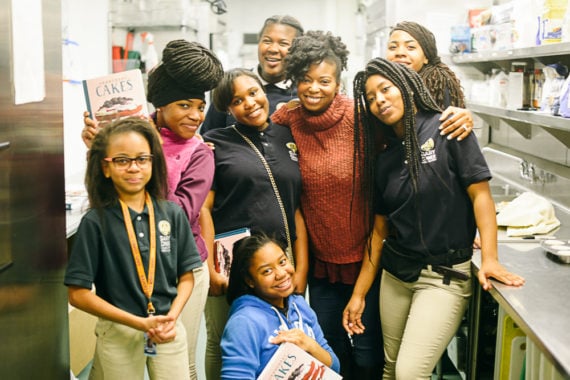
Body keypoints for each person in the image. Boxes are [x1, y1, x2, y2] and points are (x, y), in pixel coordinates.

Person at [343, 57, 525, 379]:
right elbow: (379, 231)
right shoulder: (385, 156)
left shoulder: (448, 127)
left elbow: (481, 196)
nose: (379, 101)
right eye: (370, 98)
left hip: (444, 278)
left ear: (407, 87)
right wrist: (358, 295)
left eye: (385, 89)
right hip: (396, 274)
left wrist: (490, 259)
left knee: (409, 373)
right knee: (390, 368)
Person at [80, 39, 224, 380]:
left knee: (178, 359)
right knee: (112, 357)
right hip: (124, 265)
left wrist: (140, 158)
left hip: (181, 269)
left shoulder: (199, 153)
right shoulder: (128, 135)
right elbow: (104, 196)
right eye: (184, 105)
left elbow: (180, 214)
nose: (195, 115)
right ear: (160, 105)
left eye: (199, 107)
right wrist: (97, 149)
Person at [64, 118, 203, 380]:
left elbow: (187, 276)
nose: (133, 167)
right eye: (122, 160)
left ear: (152, 162)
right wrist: (139, 323)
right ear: (106, 168)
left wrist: (172, 316)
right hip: (119, 330)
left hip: (167, 327)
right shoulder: (95, 222)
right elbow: (78, 294)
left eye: (142, 159)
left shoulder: (171, 214)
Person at [201, 68, 309, 379]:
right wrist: (210, 270)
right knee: (225, 342)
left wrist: (300, 269)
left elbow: (297, 208)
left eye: (253, 92)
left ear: (264, 91)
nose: (249, 103)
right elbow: (203, 210)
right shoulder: (214, 143)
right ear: (227, 109)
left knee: (286, 341)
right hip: (231, 264)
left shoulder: (288, 136)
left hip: (280, 261)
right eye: (237, 100)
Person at [220, 233, 340, 379]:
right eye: (267, 271)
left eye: (282, 262)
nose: (281, 274)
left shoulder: (299, 305)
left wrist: (310, 345)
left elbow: (334, 366)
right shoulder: (244, 322)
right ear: (249, 280)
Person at [199, 15, 304, 133]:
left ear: (297, 51)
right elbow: (206, 142)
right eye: (267, 41)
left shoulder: (303, 94)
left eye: (283, 43)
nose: (273, 49)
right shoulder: (232, 86)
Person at [386, 20, 474, 141]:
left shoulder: (435, 81)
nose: (400, 53)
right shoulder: (386, 82)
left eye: (410, 47)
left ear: (426, 57)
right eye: (393, 47)